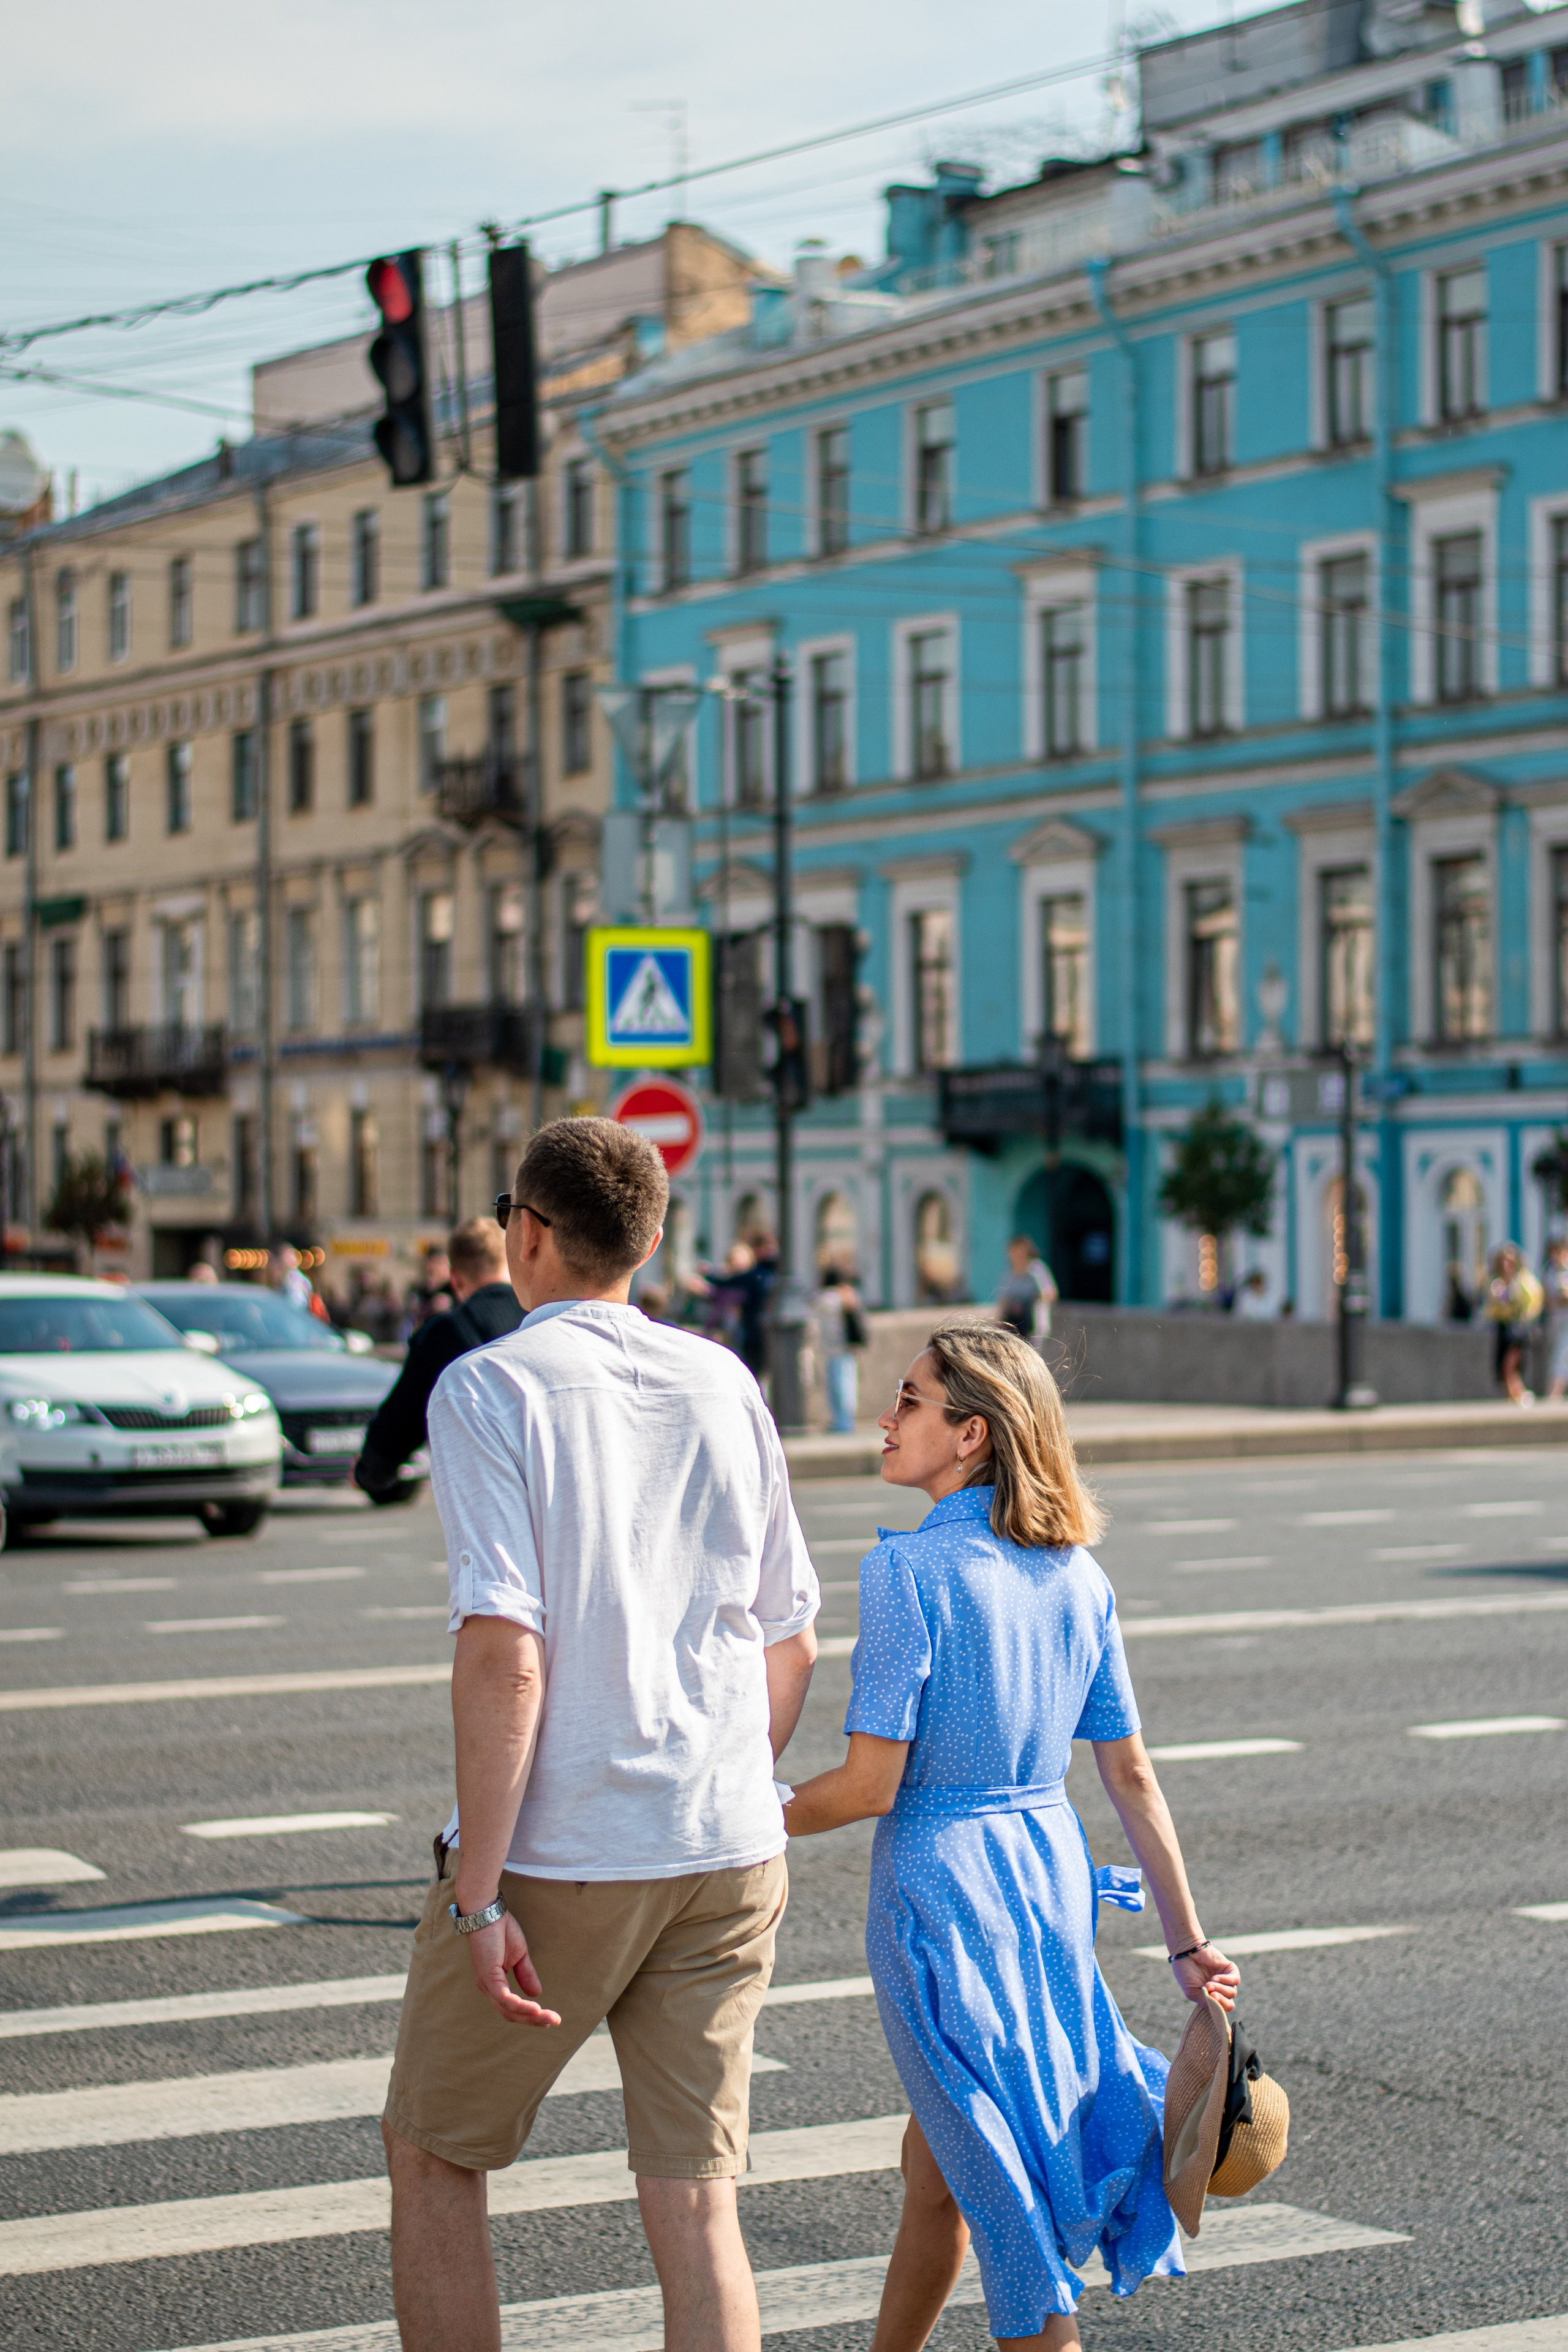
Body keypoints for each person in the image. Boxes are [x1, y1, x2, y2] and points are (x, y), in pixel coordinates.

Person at [380, 1118, 820, 2352]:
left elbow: (504, 1650)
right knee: (694, 2202)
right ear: (654, 1239)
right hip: (728, 1845)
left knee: (431, 2154)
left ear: (524, 1234)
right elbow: (789, 1635)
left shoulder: (489, 1386)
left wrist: (476, 1898)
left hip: (566, 1849)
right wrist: (733, 1778)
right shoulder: (724, 1379)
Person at [783, 1322, 1238, 2352]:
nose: (887, 1418)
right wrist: (1184, 1940)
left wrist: (743, 1818)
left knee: (1010, 2225)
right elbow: (1130, 1775)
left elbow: (869, 1783)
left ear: (973, 1437)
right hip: (1044, 1883)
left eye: (910, 1401)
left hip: (940, 1901)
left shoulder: (908, 1574)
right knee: (942, 2172)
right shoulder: (1079, 1577)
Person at [353, 1218, 521, 1500]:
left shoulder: (444, 1334)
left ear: (455, 1279)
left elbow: (399, 1420)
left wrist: (370, 1470)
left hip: (484, 1498)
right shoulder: (547, 1318)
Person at [1482, 1240, 1544, 1406]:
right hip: (1503, 1326)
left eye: (1510, 1260)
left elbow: (1534, 1300)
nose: (1506, 1264)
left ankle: (1520, 1394)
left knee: (1511, 1364)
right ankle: (1512, 1397)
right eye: (1503, 1260)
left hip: (1519, 1328)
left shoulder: (1524, 1279)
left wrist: (1526, 1317)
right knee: (1502, 1368)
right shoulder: (1495, 1281)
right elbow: (1490, 1307)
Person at [815, 1264, 867, 1434]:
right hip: (848, 1347)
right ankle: (846, 1421)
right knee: (848, 1385)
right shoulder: (849, 1296)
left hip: (833, 1349)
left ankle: (841, 1422)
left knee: (837, 1387)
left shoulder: (827, 1298)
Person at [997, 1235, 1058, 1347]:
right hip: (1014, 1326)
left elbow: (1051, 1294)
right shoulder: (1010, 1275)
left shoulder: (1037, 1270)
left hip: (1034, 1326)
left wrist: (1029, 1301)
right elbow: (1004, 1301)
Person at [1545, 1237, 1568, 1401]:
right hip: (1555, 1320)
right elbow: (1546, 1299)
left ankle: (1554, 1394)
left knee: (1562, 1356)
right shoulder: (1550, 1272)